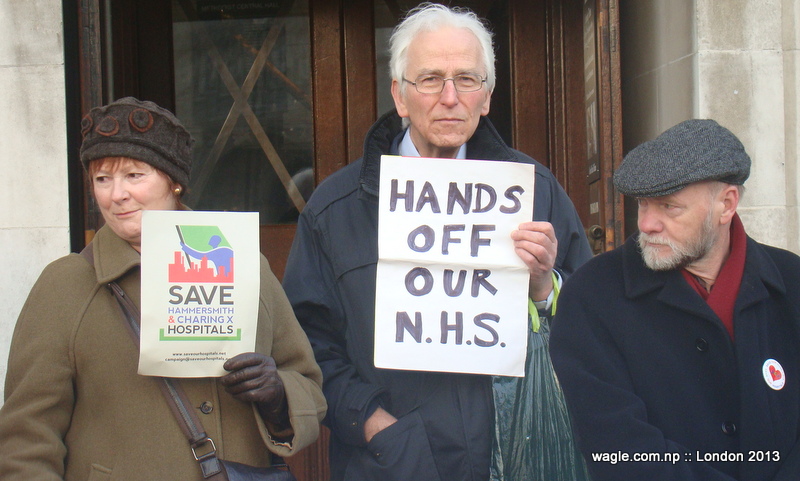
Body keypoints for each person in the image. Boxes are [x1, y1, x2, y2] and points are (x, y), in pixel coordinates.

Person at [282, 3, 592, 480]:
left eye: (467, 79)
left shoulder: (537, 192)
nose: (450, 97)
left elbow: (594, 327)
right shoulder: (336, 208)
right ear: (400, 97)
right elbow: (308, 342)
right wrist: (374, 425)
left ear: (486, 97)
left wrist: (544, 288)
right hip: (391, 464)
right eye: (430, 79)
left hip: (514, 460)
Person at [0, 97, 327, 480]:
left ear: (174, 183)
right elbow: (27, 437)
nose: (115, 194)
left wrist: (276, 396)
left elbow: (308, 386)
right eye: (102, 178)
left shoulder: (246, 265)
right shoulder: (65, 285)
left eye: (134, 176)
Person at [550, 119, 800, 480]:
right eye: (642, 204)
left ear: (726, 204)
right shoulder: (592, 296)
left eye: (669, 207)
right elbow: (618, 446)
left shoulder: (791, 282)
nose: (647, 224)